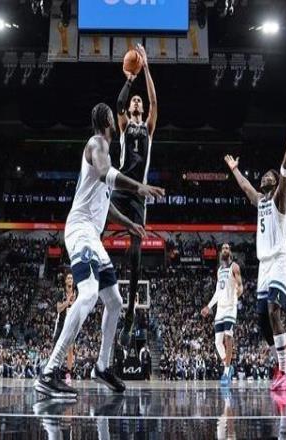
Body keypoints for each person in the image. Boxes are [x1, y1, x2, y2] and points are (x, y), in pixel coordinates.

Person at [34, 102, 164, 399]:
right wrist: (139, 188)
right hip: (80, 230)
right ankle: (49, 372)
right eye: (113, 116)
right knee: (89, 293)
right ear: (107, 120)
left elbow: (107, 205)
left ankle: (102, 367)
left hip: (93, 236)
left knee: (115, 301)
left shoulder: (104, 152)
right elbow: (107, 174)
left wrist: (130, 224)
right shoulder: (97, 144)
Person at [224, 109, 286, 391]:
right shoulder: (260, 200)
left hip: (279, 261)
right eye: (265, 176)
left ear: (275, 182)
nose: (267, 177)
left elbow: (285, 166)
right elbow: (246, 186)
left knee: (273, 311)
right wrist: (235, 170)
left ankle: (285, 371)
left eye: (271, 176)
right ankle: (279, 363)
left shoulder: (279, 199)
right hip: (263, 266)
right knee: (261, 320)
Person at [112, 44, 158, 348]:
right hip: (121, 187)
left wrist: (147, 68)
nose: (138, 101)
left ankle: (129, 315)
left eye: (139, 100)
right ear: (131, 109)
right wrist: (130, 80)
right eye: (135, 101)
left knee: (137, 255)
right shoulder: (125, 124)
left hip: (139, 193)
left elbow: (154, 101)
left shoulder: (149, 128)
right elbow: (118, 104)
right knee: (99, 215)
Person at [201, 243, 243, 386]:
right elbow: (218, 292)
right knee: (217, 342)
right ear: (220, 252)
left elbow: (240, 285)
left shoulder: (234, 267)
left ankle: (226, 372)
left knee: (228, 337)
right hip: (220, 308)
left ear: (230, 252)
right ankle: (228, 365)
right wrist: (209, 306)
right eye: (223, 248)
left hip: (230, 307)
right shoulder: (219, 270)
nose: (225, 250)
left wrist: (239, 291)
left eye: (227, 248)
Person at [52, 273, 77, 385]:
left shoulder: (76, 293)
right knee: (56, 348)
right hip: (61, 323)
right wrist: (67, 302)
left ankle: (68, 375)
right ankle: (54, 371)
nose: (70, 280)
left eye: (72, 278)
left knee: (70, 349)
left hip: (71, 324)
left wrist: (74, 302)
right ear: (65, 281)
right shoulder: (60, 293)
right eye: (68, 278)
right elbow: (58, 309)